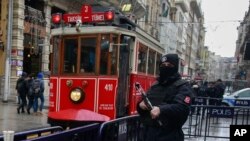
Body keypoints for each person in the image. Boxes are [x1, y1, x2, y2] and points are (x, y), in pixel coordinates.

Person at [137, 54, 194, 141]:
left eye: (169, 65)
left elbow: (182, 108)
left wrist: (161, 110)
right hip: (148, 134)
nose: (166, 67)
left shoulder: (183, 86)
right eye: (163, 65)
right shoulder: (155, 85)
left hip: (169, 135)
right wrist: (140, 105)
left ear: (175, 67)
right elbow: (145, 103)